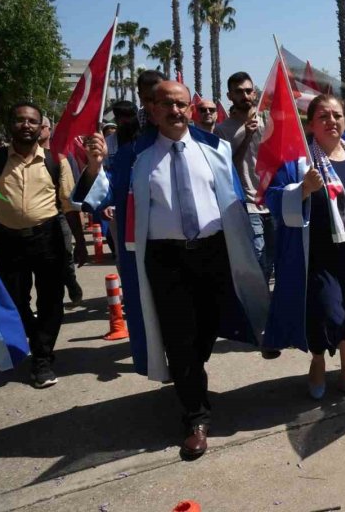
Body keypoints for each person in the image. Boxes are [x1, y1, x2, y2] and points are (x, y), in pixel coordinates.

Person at [76, 81, 269, 459]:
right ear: (152, 109)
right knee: (180, 337)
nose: (175, 111)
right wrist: (96, 165)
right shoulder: (134, 157)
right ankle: (196, 416)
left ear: (190, 109)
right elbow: (97, 198)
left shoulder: (215, 149)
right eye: (167, 104)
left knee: (207, 329)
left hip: (214, 254)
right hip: (166, 260)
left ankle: (189, 370)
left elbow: (233, 199)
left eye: (182, 104)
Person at [265, 94, 345, 400]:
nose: (331, 121)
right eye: (323, 116)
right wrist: (302, 190)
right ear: (310, 124)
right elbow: (273, 200)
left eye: (337, 115)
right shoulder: (298, 163)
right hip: (320, 255)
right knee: (327, 313)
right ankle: (318, 361)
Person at [0, 103, 77, 388]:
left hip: (47, 238)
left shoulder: (56, 161)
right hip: (7, 240)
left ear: (41, 127)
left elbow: (69, 204)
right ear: (10, 124)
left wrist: (80, 245)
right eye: (20, 120)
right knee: (14, 300)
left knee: (50, 299)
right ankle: (35, 335)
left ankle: (42, 358)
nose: (26, 125)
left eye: (32, 121)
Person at [215, 72, 275, 283]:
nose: (245, 96)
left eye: (249, 91)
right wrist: (247, 136)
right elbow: (226, 168)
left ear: (255, 93)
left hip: (273, 199)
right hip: (247, 203)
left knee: (274, 257)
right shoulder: (222, 131)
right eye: (239, 92)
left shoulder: (268, 121)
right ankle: (258, 300)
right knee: (258, 257)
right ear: (230, 96)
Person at [36, 116, 86, 302]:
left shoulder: (61, 158)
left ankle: (70, 281)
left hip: (59, 215)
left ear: (49, 130)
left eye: (41, 126)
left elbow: (71, 195)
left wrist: (80, 239)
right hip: (35, 221)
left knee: (65, 254)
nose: (36, 130)